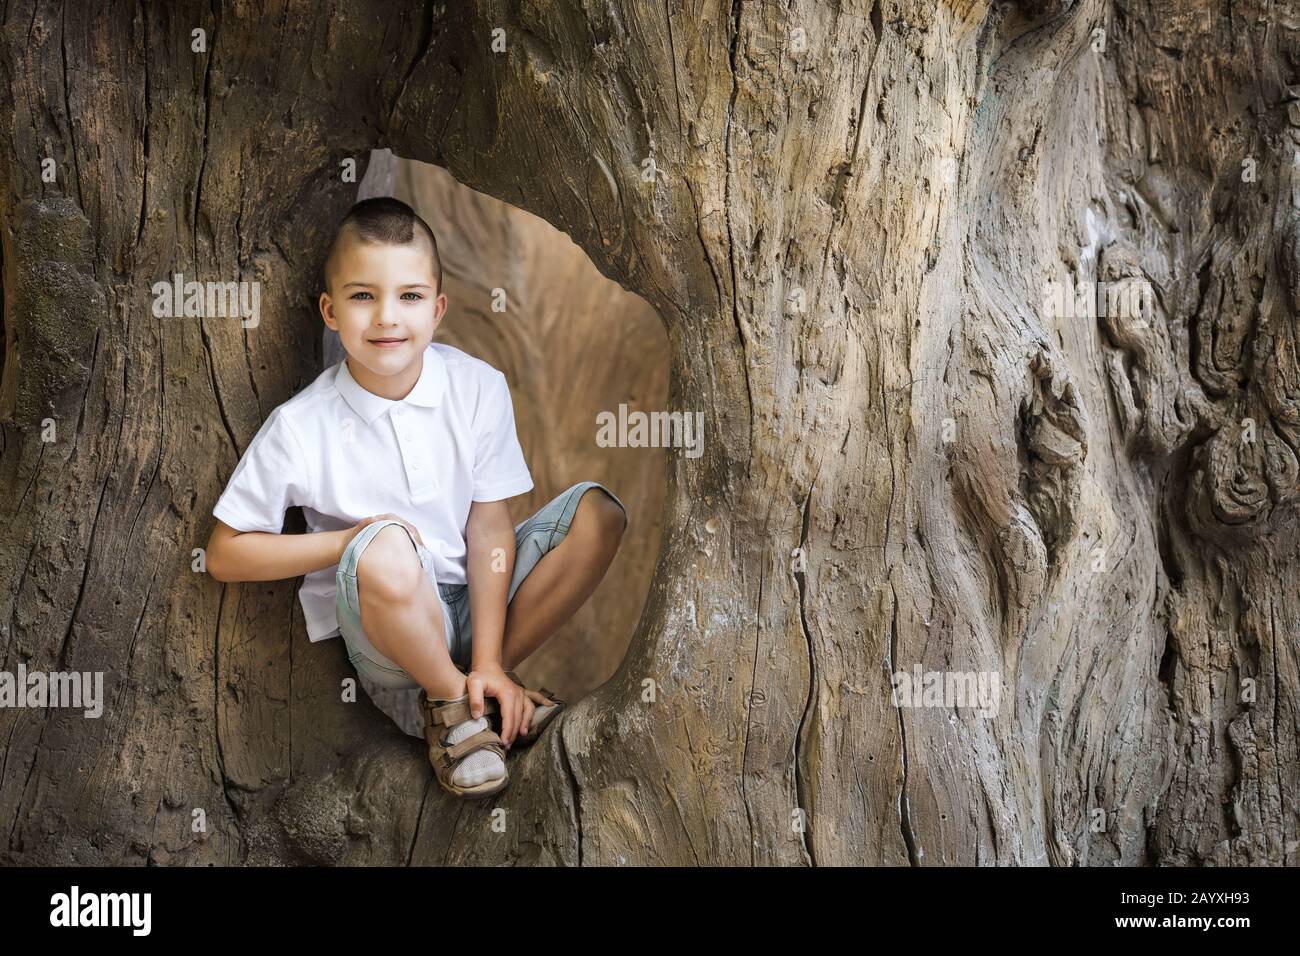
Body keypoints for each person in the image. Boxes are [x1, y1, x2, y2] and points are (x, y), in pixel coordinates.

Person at [204, 197, 626, 798]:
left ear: (437, 309)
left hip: (483, 608)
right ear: (329, 310)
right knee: (385, 545)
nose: (386, 318)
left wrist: (487, 659)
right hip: (387, 627)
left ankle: (482, 684)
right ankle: (454, 704)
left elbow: (488, 529)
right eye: (361, 296)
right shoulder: (302, 426)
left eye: (409, 296)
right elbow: (224, 553)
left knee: (598, 514)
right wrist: (351, 541)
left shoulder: (477, 387)